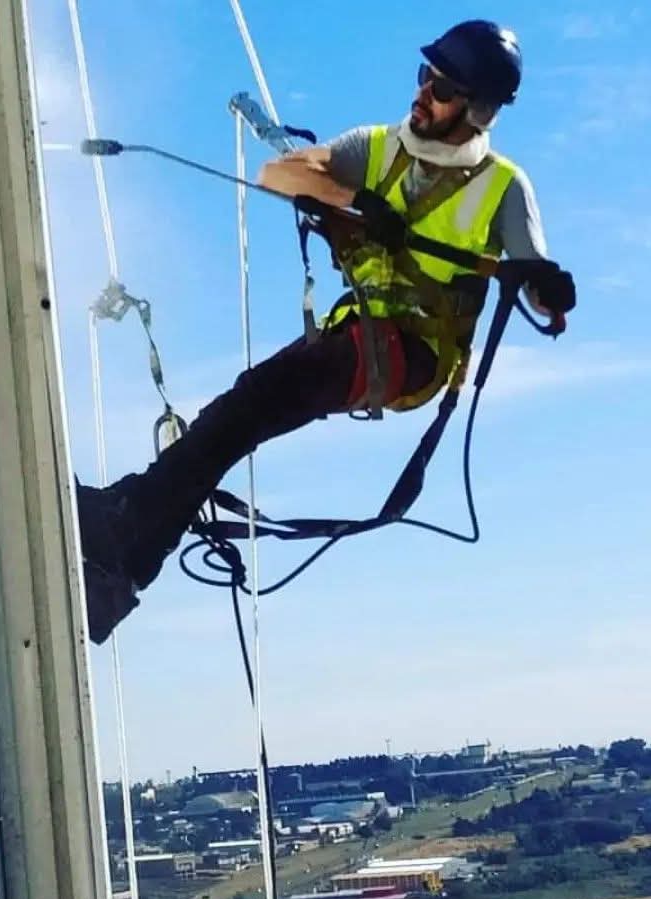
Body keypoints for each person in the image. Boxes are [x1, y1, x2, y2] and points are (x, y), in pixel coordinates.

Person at [76, 20, 575, 644]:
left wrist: (547, 291)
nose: (424, 92)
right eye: (424, 76)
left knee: (252, 404)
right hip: (358, 334)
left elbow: (535, 287)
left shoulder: (504, 186)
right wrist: (356, 200)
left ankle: (123, 532)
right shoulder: (377, 148)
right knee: (242, 408)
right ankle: (124, 550)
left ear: (477, 110)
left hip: (413, 352)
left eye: (443, 88)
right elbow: (279, 175)